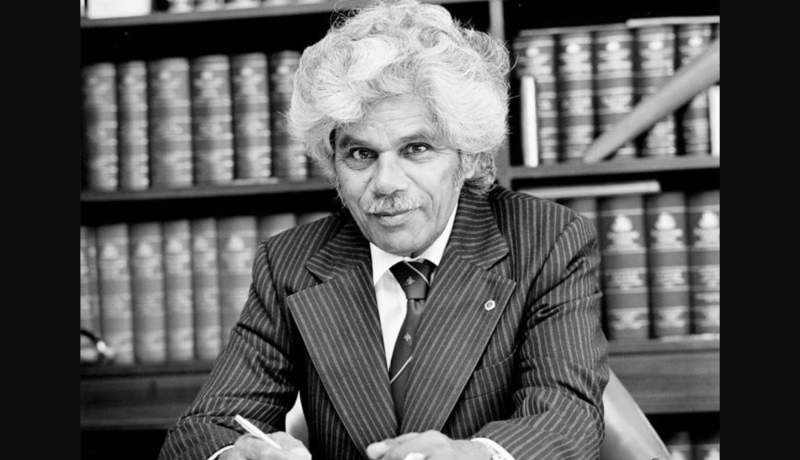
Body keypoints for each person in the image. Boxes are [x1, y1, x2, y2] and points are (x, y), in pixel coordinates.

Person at [158, 1, 609, 459]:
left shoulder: (547, 240)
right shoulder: (289, 263)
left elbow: (567, 416)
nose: (386, 183)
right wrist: (235, 454)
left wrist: (472, 455)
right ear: (332, 164)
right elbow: (203, 429)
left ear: (468, 155)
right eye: (361, 155)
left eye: (416, 148)